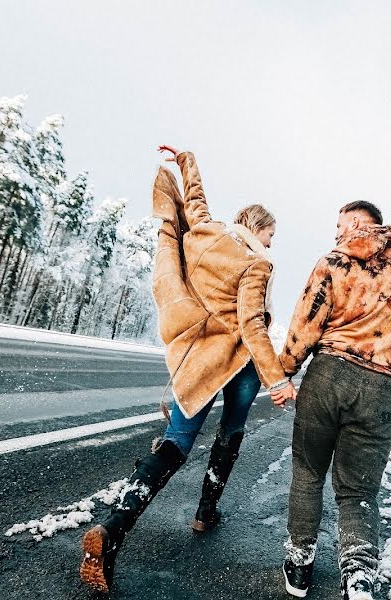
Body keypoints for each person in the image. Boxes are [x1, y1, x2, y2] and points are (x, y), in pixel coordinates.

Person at [79, 146, 297, 593]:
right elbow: (252, 324)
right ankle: (205, 512)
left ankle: (114, 531)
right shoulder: (257, 262)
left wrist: (186, 160)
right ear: (257, 229)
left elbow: (195, 200)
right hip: (238, 362)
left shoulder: (204, 230)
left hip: (196, 358)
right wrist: (277, 378)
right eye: (271, 235)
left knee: (176, 443)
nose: (271, 244)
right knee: (231, 433)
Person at [275, 200, 391, 599]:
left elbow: (305, 324)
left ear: (360, 223)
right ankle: (359, 578)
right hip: (384, 389)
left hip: (329, 375)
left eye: (340, 225)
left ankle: (299, 565)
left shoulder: (334, 262)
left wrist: (285, 370)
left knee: (309, 471)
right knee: (359, 491)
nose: (335, 234)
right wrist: (390, 354)